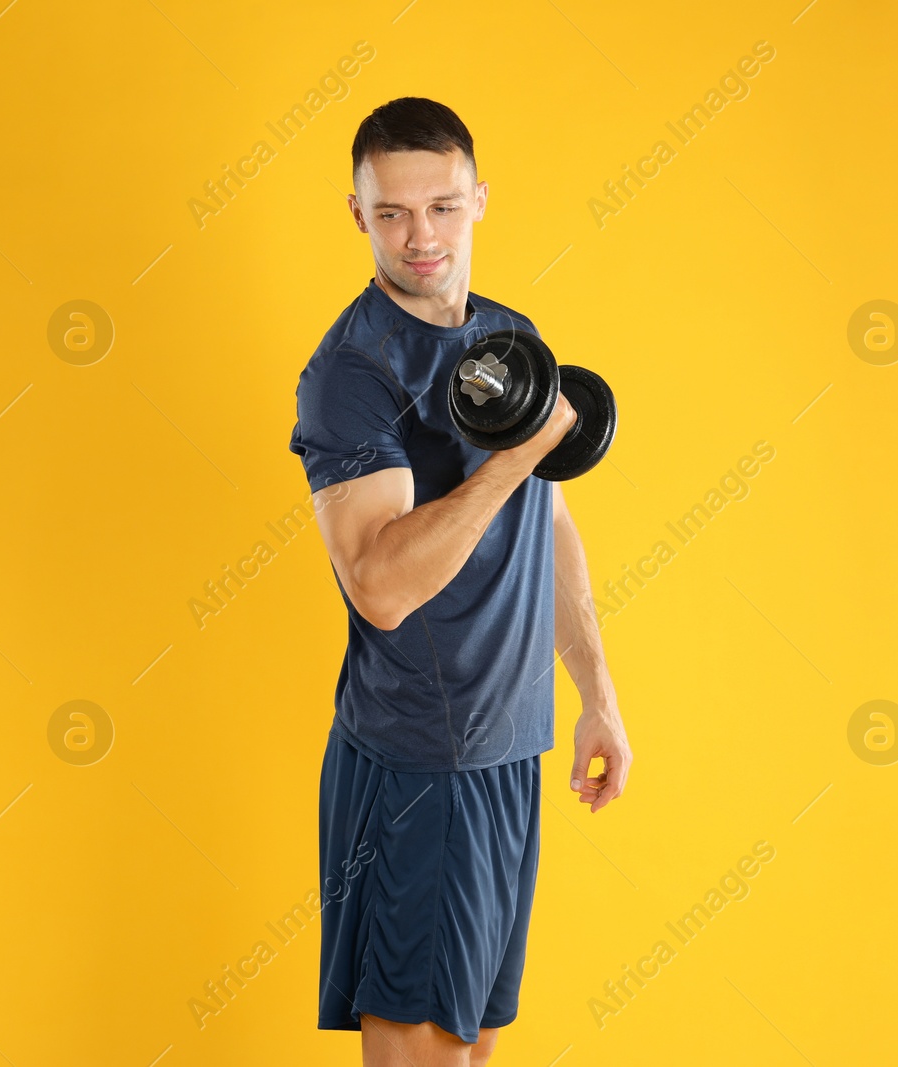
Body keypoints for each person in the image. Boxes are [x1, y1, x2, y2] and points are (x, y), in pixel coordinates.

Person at [288, 96, 633, 1067]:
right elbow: (382, 585)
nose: (420, 235)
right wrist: (517, 456)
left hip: (506, 753)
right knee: (422, 1056)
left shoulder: (510, 337)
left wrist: (595, 695)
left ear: (480, 200)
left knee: (472, 1049)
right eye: (391, 212)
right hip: (419, 765)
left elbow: (548, 521)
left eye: (441, 206)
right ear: (358, 214)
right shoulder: (352, 373)